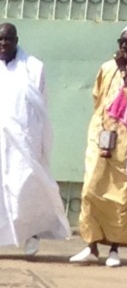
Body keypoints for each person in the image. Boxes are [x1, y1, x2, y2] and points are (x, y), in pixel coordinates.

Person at [70, 19, 127, 267]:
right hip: (102, 137)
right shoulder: (107, 67)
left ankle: (114, 249)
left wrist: (124, 71)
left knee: (120, 196)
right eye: (121, 41)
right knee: (91, 188)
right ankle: (90, 245)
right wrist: (102, 127)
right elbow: (98, 98)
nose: (123, 46)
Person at [0, 22, 71, 256]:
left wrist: (39, 143)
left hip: (24, 142)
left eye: (7, 39)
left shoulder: (34, 67)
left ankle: (32, 236)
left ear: (16, 41)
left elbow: (42, 107)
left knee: (26, 190)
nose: (2, 44)